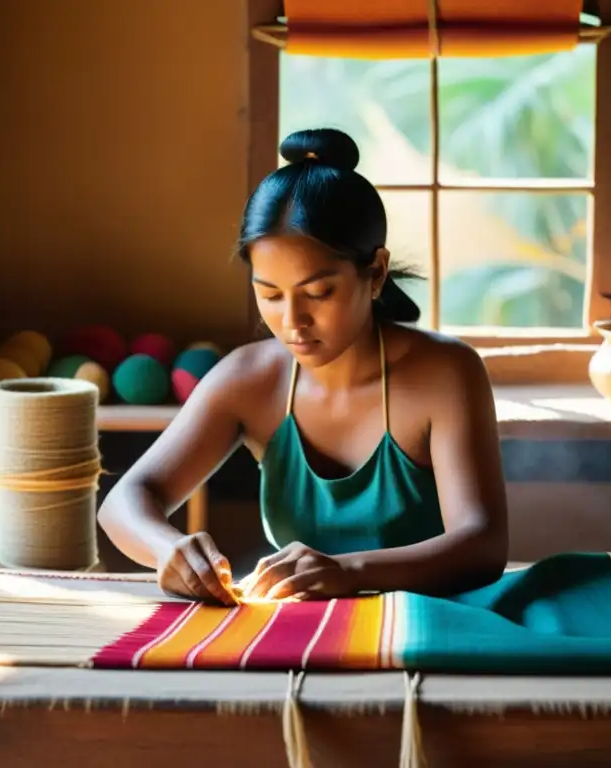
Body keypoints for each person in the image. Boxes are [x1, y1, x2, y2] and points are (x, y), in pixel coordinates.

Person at [97, 128, 509, 605]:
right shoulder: (250, 379)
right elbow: (126, 501)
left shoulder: (446, 374)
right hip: (297, 632)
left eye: (318, 293)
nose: (291, 322)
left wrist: (348, 572)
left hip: (433, 628)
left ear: (375, 272)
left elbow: (482, 544)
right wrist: (167, 548)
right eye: (269, 294)